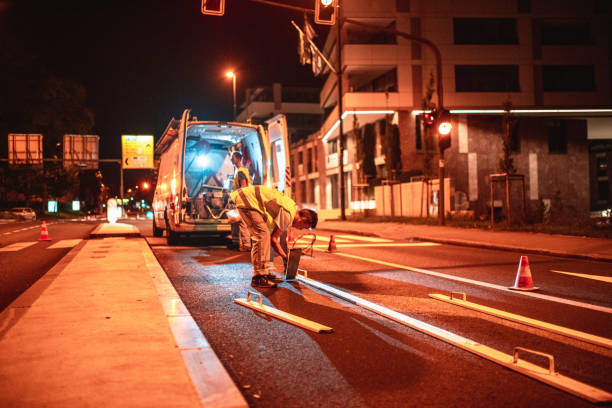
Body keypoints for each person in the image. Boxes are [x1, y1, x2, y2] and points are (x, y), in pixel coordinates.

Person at [230, 185, 318, 288]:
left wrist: (286, 256)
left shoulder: (291, 210)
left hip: (249, 199)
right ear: (303, 219)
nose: (300, 229)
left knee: (264, 234)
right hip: (247, 199)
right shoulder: (288, 214)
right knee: (262, 234)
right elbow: (274, 239)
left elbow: (277, 238)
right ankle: (259, 276)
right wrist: (285, 258)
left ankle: (264, 273)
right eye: (303, 227)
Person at [230, 151, 252, 251]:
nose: (231, 159)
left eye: (232, 158)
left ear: (238, 159)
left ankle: (246, 245)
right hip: (242, 199)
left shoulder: (241, 172)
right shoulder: (242, 171)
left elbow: (243, 186)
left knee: (242, 223)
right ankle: (238, 244)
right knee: (237, 222)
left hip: (242, 200)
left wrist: (238, 199)